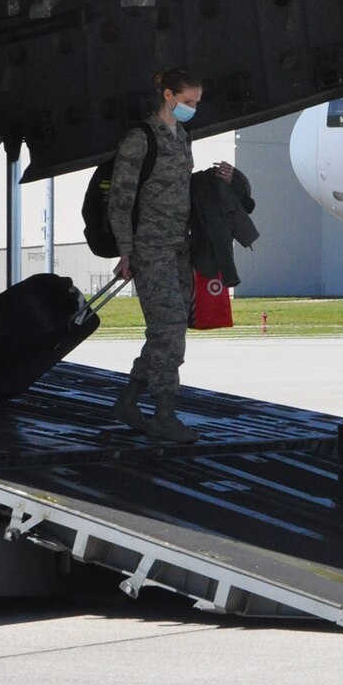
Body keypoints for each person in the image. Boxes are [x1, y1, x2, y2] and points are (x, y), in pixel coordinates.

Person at [106, 66, 231, 443]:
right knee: (170, 329)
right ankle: (163, 410)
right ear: (169, 96)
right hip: (150, 249)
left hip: (178, 246)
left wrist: (221, 180)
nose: (193, 108)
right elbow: (120, 200)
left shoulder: (182, 137)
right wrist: (126, 251)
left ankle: (128, 401)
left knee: (168, 330)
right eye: (188, 101)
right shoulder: (140, 139)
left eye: (196, 102)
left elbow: (181, 189)